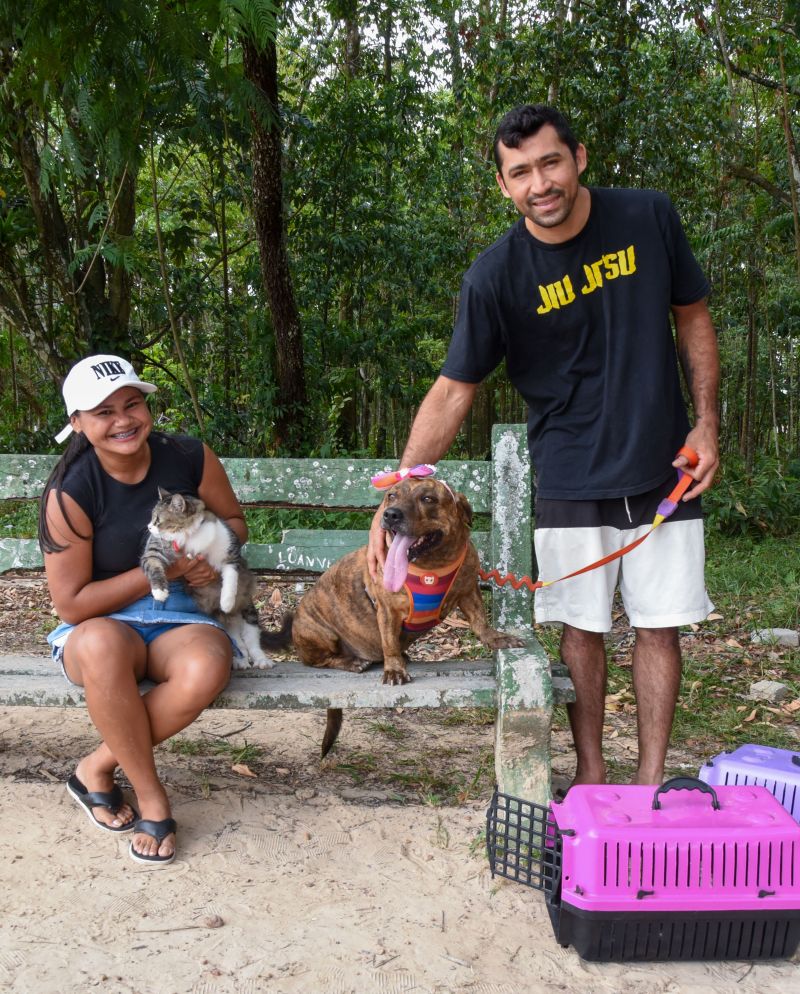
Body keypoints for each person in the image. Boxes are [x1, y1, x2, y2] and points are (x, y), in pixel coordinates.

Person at [368, 104, 720, 788]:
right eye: (520, 172)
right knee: (582, 630)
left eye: (550, 163)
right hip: (568, 475)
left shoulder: (648, 217)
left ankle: (648, 784)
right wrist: (393, 498)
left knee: (660, 628)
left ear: (579, 158)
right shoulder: (495, 276)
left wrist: (706, 424)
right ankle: (590, 776)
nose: (540, 183)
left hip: (665, 467)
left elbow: (694, 317)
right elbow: (451, 391)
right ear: (504, 185)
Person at [40, 354, 246, 866]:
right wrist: (167, 571)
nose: (123, 420)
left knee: (207, 667)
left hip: (179, 615)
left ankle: (95, 767)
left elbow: (236, 523)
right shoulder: (72, 491)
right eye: (103, 412)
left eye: (131, 404)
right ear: (78, 425)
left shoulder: (190, 456)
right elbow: (71, 603)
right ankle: (152, 797)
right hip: (98, 624)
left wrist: (205, 553)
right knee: (102, 644)